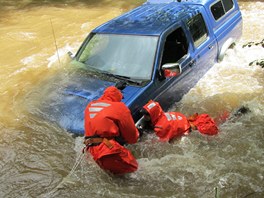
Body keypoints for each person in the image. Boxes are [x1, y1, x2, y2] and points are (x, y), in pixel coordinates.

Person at [83, 86, 140, 175]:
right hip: (108, 150)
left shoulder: (90, 105)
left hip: (90, 150)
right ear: (118, 97)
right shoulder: (119, 107)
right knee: (136, 171)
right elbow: (132, 136)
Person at [139, 100, 218, 142]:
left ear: (153, 114)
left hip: (187, 131)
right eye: (143, 114)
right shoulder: (165, 114)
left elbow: (162, 143)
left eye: (146, 114)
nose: (144, 116)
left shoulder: (160, 127)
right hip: (187, 123)